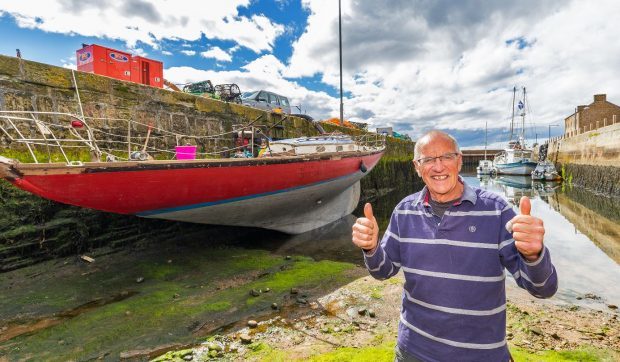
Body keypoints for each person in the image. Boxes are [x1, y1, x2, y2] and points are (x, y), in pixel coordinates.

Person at [352, 130, 557, 362]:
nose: (438, 167)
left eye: (446, 157)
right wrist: (371, 248)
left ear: (459, 161)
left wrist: (534, 255)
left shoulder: (496, 210)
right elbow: (383, 271)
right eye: (427, 159)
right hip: (413, 352)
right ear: (417, 168)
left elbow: (543, 288)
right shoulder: (404, 210)